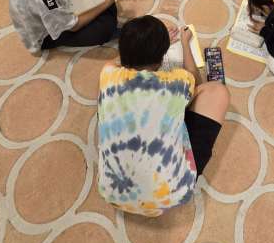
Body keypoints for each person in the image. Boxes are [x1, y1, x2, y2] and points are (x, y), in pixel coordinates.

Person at [97, 16, 229, 216]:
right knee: (218, 92)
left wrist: (141, 44)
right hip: (174, 192)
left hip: (112, 193)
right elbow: (196, 80)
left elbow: (114, 62)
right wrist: (184, 42)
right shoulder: (177, 82)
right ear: (162, 57)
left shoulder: (108, 73)